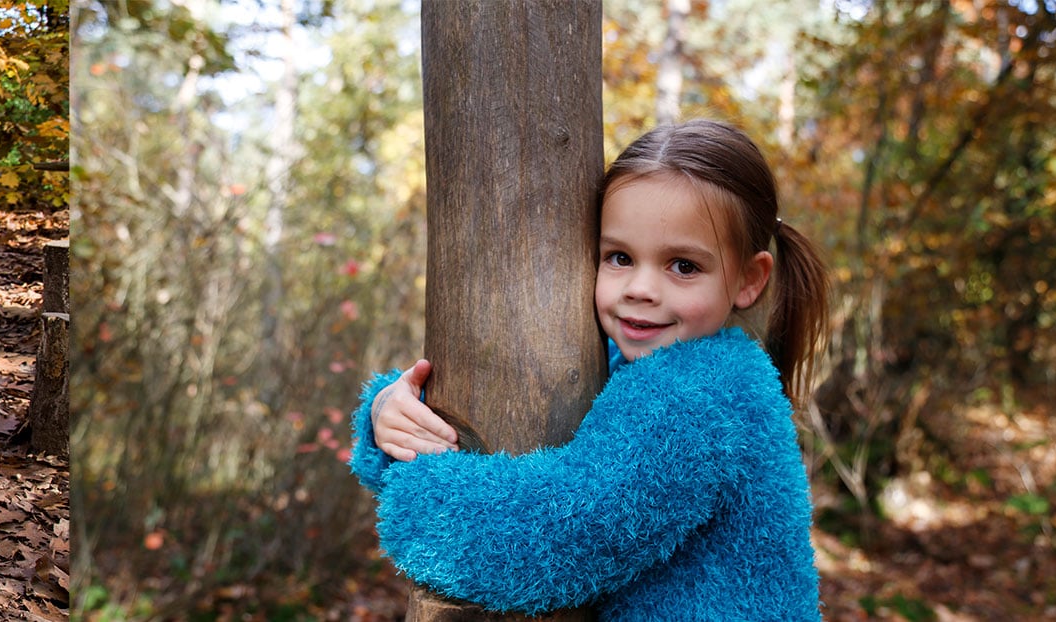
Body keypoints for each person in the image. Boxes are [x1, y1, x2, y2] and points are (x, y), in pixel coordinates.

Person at [349, 120, 829, 620]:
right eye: (619, 257)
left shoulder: (695, 396)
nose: (641, 288)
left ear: (749, 280)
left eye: (683, 266)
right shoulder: (635, 364)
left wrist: (412, 494)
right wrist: (391, 411)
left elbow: (564, 538)